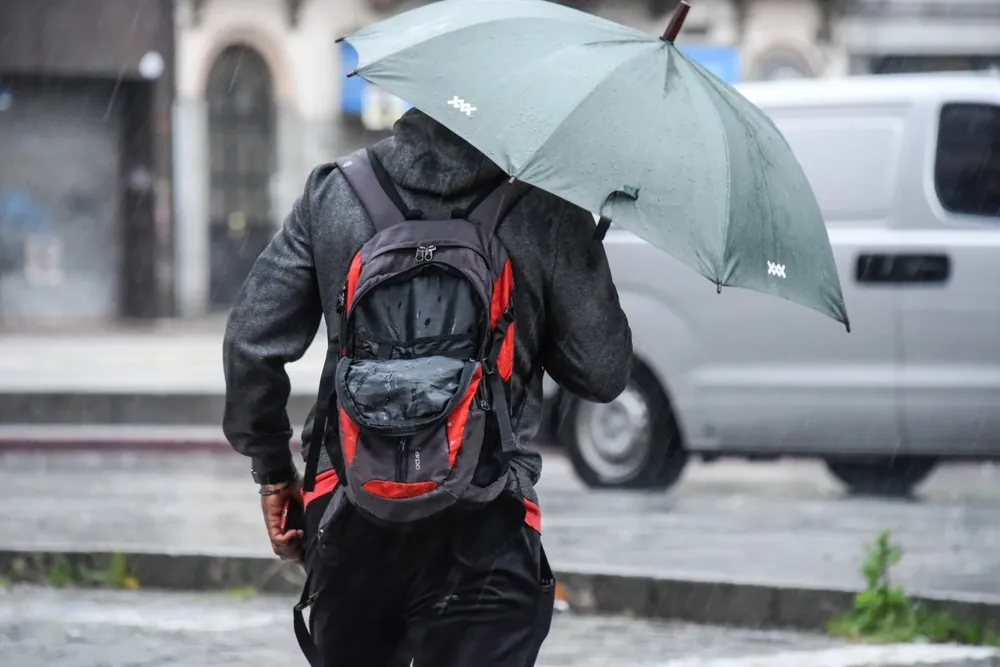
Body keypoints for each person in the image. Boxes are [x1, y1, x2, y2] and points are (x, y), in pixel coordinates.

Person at [222, 108, 633, 667]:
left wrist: (273, 473)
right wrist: (566, 270)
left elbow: (251, 343)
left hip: (352, 519)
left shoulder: (335, 193)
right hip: (487, 525)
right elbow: (602, 372)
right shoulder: (545, 210)